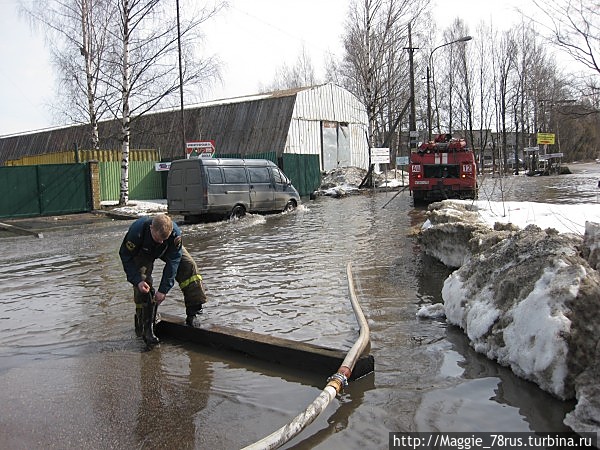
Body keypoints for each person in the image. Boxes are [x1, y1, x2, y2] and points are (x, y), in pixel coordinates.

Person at [119, 214, 207, 344]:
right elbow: (125, 256)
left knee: (189, 267)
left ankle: (193, 314)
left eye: (163, 239)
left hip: (167, 249)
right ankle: (144, 322)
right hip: (143, 251)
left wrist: (163, 290)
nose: (160, 241)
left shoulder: (175, 235)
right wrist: (137, 281)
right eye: (157, 238)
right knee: (143, 283)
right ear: (151, 228)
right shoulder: (136, 232)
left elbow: (174, 262)